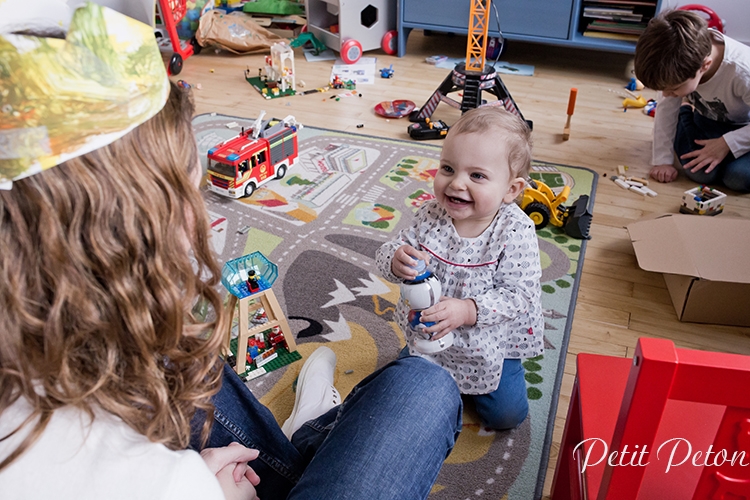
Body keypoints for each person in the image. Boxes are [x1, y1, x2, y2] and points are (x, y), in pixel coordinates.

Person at [0, 4, 462, 500]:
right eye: (185, 193)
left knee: (175, 360)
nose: (199, 215)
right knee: (425, 386)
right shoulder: (155, 480)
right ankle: (308, 441)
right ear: (121, 237)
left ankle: (298, 449)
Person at [375, 106, 544, 430]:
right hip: (430, 332)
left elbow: (519, 295)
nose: (456, 184)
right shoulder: (429, 215)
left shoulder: (516, 230)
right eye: (448, 168)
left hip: (489, 341)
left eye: (477, 175)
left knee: (507, 416)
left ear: (511, 189)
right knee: (397, 392)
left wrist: (468, 310)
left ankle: (506, 369)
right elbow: (391, 250)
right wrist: (397, 258)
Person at [634, 9, 750, 192]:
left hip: (744, 127)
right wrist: (662, 161)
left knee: (738, 178)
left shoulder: (743, 71)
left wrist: (727, 143)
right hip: (708, 121)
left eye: (673, 89)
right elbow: (665, 111)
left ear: (705, 66)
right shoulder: (675, 66)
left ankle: (686, 111)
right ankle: (685, 112)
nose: (665, 95)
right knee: (700, 173)